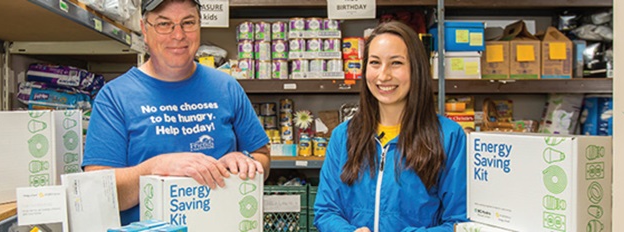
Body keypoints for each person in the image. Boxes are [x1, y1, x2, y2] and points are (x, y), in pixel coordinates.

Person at [82, 0, 271, 226]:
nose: (178, 35)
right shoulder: (114, 97)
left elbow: (263, 158)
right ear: (144, 28)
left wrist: (244, 161)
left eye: (188, 23)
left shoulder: (226, 87)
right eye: (164, 24)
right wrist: (154, 167)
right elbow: (97, 193)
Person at [313, 21, 468, 232]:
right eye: (375, 63)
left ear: (416, 68)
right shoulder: (344, 135)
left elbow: (460, 223)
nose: (383, 75)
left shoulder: (448, 137)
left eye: (396, 63)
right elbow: (325, 211)